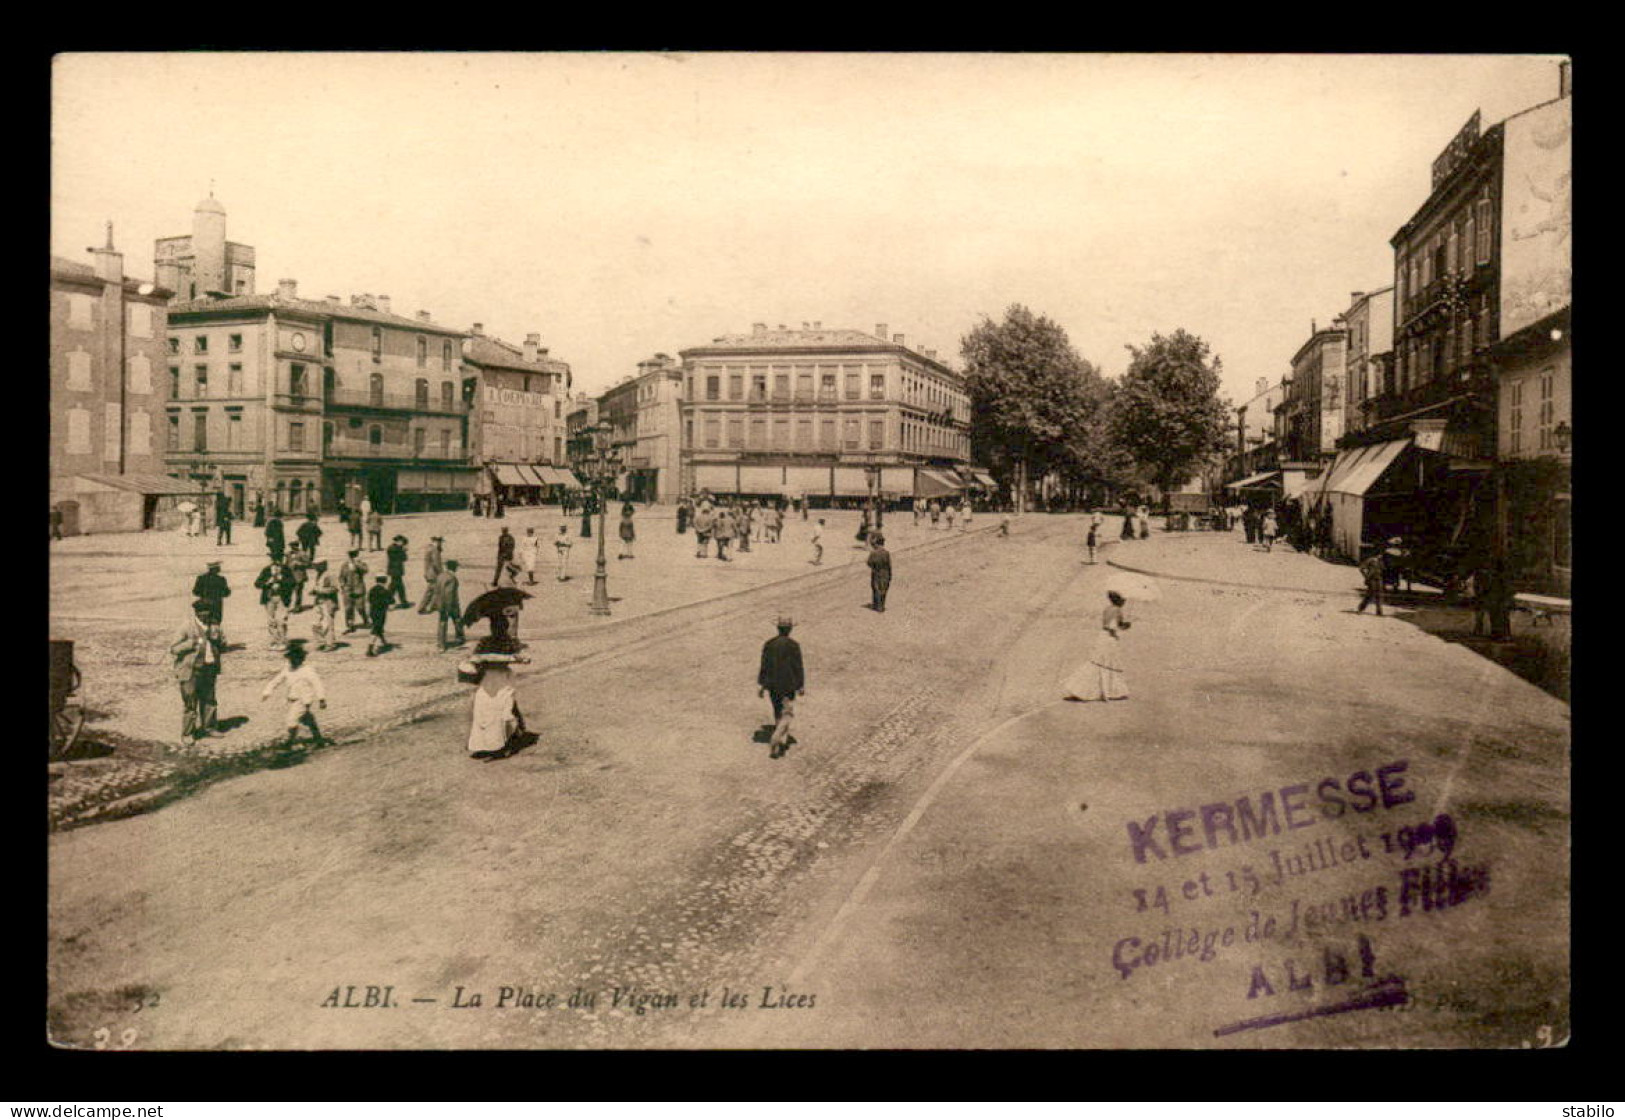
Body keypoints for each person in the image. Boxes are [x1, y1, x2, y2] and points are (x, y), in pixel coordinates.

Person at [172, 598, 224, 744]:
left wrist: (218, 640)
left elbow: (223, 646)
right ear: (196, 612)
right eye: (202, 612)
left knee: (209, 699)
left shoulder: (215, 626)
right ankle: (188, 733)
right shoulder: (187, 627)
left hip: (209, 669)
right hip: (190, 671)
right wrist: (191, 643)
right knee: (190, 702)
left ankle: (209, 727)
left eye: (207, 612)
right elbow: (174, 648)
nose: (205, 615)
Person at [1063, 591, 1131, 701]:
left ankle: (1083, 688)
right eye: (1123, 600)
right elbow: (1115, 626)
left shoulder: (1107, 609)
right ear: (1119, 600)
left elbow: (1108, 624)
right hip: (1109, 638)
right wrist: (1126, 625)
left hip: (1102, 636)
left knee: (1097, 662)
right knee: (1108, 662)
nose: (1124, 602)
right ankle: (1110, 691)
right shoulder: (1118, 610)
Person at [260, 640, 328, 749]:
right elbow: (276, 680)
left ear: (301, 659)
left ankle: (289, 742)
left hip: (303, 700)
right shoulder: (287, 670)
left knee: (291, 720)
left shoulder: (308, 670)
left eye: (295, 659)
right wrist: (267, 691)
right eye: (290, 659)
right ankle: (318, 738)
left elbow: (317, 684)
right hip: (292, 699)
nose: (292, 661)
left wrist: (321, 698)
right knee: (307, 719)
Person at [758, 614, 805, 760]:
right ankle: (776, 738)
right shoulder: (793, 645)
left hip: (772, 685)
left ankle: (780, 743)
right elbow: (798, 667)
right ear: (790, 629)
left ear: (778, 629)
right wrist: (800, 685)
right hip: (788, 685)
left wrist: (762, 685)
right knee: (788, 713)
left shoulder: (769, 644)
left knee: (777, 710)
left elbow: (764, 666)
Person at [465, 656, 527, 760]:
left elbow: (508, 688)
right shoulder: (493, 671)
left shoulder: (497, 671)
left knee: (493, 719)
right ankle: (488, 746)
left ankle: (494, 746)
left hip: (494, 697)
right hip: (489, 696)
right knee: (488, 719)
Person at [253, 558, 295, 650]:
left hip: (282, 598)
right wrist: (268, 582)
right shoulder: (266, 570)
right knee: (271, 621)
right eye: (273, 559)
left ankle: (283, 641)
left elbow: (293, 583)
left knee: (282, 620)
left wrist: (282, 580)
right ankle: (275, 641)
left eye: (278, 559)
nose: (276, 563)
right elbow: (257, 584)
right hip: (269, 598)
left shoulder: (286, 570)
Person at [310, 559, 340, 649]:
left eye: (317, 566)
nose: (315, 568)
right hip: (318, 602)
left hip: (328, 602)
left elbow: (335, 588)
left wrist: (320, 591)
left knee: (327, 624)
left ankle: (330, 644)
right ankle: (321, 642)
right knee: (316, 623)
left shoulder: (330, 575)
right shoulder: (319, 575)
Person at [436, 559, 466, 650]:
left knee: (442, 623)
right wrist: (450, 607)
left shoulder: (440, 576)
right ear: (455, 568)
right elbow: (450, 593)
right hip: (451, 605)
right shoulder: (452, 578)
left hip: (440, 603)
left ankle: (441, 644)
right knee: (457, 620)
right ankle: (460, 638)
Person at [192, 561, 231, 628]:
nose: (220, 568)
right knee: (215, 625)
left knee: (202, 624)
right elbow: (226, 593)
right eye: (218, 567)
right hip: (216, 606)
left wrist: (204, 595)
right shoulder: (221, 579)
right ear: (215, 568)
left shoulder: (201, 578)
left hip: (203, 605)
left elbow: (195, 592)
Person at [339, 549, 369, 633]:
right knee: (348, 608)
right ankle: (350, 624)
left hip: (358, 588)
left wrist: (356, 564)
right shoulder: (344, 565)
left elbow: (365, 570)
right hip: (348, 590)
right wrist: (342, 585)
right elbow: (341, 576)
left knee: (360, 607)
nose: (352, 556)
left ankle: (365, 619)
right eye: (351, 554)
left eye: (354, 554)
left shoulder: (361, 563)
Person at [366, 575, 394, 656]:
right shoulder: (385, 591)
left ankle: (384, 642)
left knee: (378, 627)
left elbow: (368, 599)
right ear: (385, 581)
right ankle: (370, 649)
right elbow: (391, 601)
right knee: (377, 628)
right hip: (381, 612)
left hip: (372, 611)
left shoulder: (372, 589)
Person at [419, 536, 446, 614]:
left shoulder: (429, 548)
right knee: (430, 592)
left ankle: (435, 605)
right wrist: (441, 573)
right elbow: (436, 563)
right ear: (437, 541)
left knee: (436, 590)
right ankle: (422, 608)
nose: (441, 544)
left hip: (429, 573)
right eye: (440, 542)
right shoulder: (434, 550)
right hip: (434, 574)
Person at [1355, 549, 1386, 617]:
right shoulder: (1370, 560)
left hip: (1379, 579)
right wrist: (1366, 576)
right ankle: (1360, 608)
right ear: (1377, 554)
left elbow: (1383, 569)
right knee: (1370, 595)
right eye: (1380, 554)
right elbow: (1361, 568)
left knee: (1379, 595)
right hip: (1372, 579)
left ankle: (1379, 612)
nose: (1381, 556)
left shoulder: (1380, 561)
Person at [867, 533, 892, 612]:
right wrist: (890, 574)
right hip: (885, 573)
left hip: (876, 572)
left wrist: (873, 567)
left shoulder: (874, 553)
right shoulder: (886, 553)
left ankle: (877, 605)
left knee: (876, 588)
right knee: (884, 588)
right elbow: (889, 565)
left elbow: (869, 563)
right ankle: (882, 605)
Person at [386, 535, 411, 608]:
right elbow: (403, 558)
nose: (403, 544)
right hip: (395, 571)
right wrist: (403, 551)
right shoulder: (393, 549)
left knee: (394, 587)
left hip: (396, 571)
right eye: (402, 542)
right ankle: (403, 602)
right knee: (398, 587)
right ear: (398, 541)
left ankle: (401, 602)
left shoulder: (394, 548)